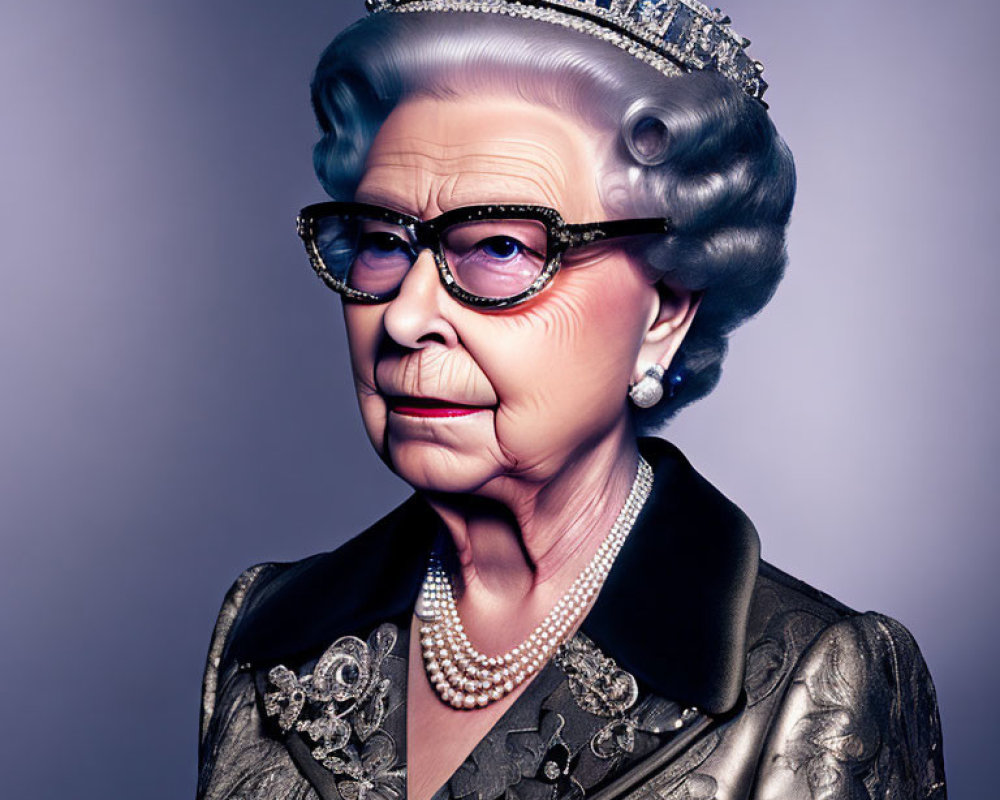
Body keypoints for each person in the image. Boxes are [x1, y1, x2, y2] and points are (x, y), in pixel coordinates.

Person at [197, 3, 946, 799]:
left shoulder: (816, 680)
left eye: (499, 247)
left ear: (664, 309)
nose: (408, 318)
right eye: (383, 241)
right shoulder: (262, 627)